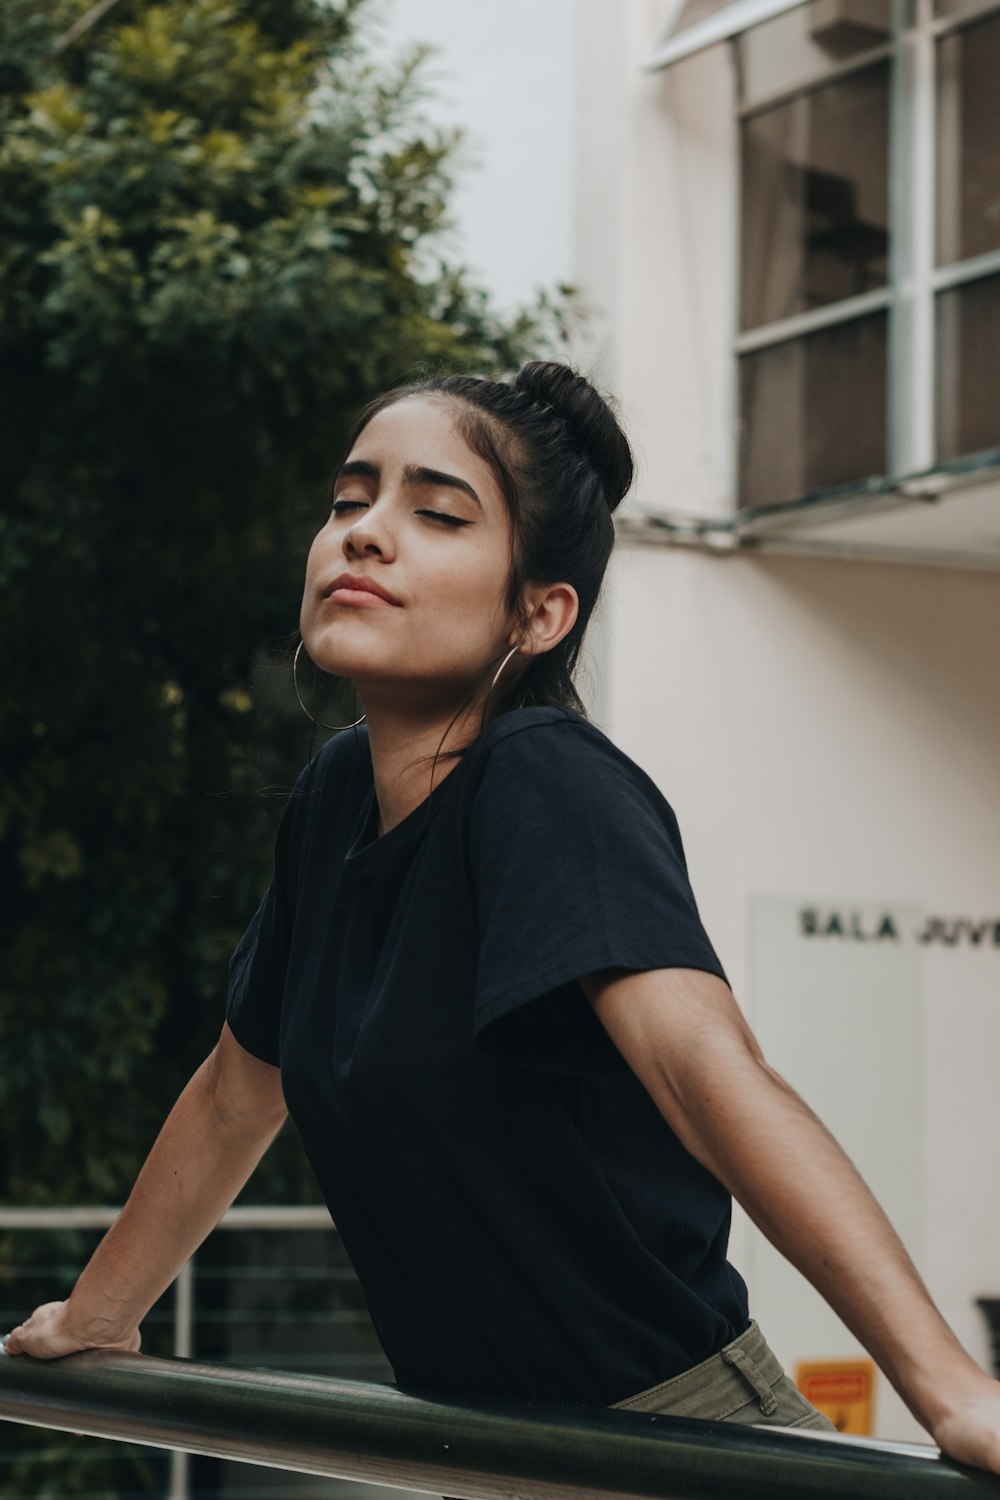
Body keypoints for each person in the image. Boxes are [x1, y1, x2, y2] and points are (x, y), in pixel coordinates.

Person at [5, 363, 1000, 1475]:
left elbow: (705, 1074)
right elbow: (240, 1088)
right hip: (492, 1454)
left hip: (675, 1445)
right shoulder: (337, 799)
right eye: (348, 501)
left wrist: (950, 1390)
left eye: (436, 513)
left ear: (540, 611)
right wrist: (100, 1313)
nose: (365, 535)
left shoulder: (544, 783)